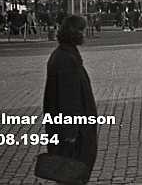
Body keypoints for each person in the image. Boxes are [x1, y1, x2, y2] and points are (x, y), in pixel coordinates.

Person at [43, 15, 98, 183]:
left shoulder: (64, 55)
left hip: (69, 128)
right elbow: (69, 99)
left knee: (71, 174)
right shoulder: (66, 59)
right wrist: (70, 132)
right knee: (72, 173)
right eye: (81, 30)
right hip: (73, 132)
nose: (84, 34)